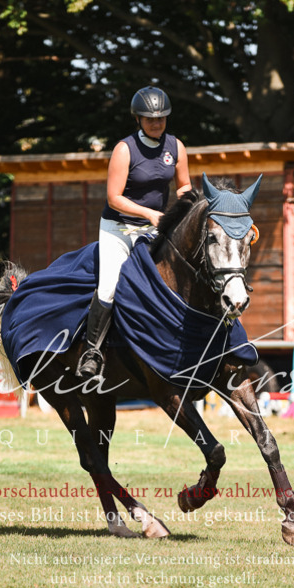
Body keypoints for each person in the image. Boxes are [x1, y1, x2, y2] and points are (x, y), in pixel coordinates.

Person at [76, 85, 192, 378]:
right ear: (138, 119)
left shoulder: (176, 147)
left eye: (161, 118)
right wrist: (149, 213)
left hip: (153, 228)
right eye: (150, 119)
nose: (156, 123)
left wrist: (190, 206)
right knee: (110, 286)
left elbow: (184, 186)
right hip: (118, 228)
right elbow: (114, 197)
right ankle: (92, 352)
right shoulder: (124, 149)